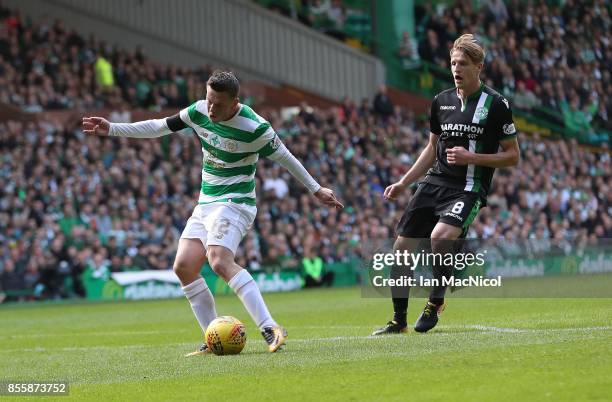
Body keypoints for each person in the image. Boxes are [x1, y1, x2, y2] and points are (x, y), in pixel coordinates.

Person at [82, 70, 343, 354]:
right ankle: (212, 338)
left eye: (218, 104)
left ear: (235, 102)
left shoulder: (256, 128)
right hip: (206, 203)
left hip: (236, 202)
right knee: (183, 267)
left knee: (218, 260)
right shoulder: (199, 111)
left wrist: (316, 189)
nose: (211, 109)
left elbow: (287, 159)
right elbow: (160, 126)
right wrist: (113, 129)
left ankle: (270, 327)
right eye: (209, 100)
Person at [372, 34, 520, 335]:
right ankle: (398, 321)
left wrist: (471, 157)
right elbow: (431, 149)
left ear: (478, 66)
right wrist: (403, 182)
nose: (456, 69)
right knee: (401, 247)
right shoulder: (441, 101)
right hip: (434, 182)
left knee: (441, 238)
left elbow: (513, 156)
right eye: (453, 63)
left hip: (468, 186)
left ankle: (435, 302)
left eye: (463, 63)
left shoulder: (496, 105)